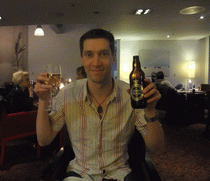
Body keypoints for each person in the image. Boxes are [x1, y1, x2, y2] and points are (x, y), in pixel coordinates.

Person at [34, 29, 164, 181]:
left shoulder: (130, 94)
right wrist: (43, 100)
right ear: (82, 59)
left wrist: (150, 110)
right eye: (89, 54)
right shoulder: (68, 94)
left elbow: (157, 148)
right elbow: (44, 140)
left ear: (113, 57)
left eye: (103, 54)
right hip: (79, 174)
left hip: (120, 174)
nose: (96, 62)